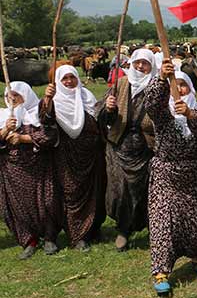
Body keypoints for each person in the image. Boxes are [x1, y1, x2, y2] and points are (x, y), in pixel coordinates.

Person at [146, 61, 197, 295]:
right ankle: (161, 271)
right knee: (163, 221)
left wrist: (189, 113)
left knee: (196, 219)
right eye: (176, 86)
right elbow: (152, 104)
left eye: (184, 86)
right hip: (167, 174)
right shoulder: (163, 114)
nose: (181, 90)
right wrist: (161, 79)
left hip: (196, 173)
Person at [96, 47, 155, 252]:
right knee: (120, 191)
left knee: (144, 191)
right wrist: (109, 108)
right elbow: (101, 117)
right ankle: (122, 230)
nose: (140, 66)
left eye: (145, 63)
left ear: (151, 66)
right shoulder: (120, 84)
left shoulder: (155, 88)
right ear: (131, 63)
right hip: (119, 147)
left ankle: (150, 229)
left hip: (146, 149)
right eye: (137, 62)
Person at [46, 65, 105, 251]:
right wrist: (47, 99)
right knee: (72, 193)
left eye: (72, 77)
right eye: (65, 78)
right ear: (58, 81)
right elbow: (45, 119)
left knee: (93, 193)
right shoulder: (54, 100)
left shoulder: (86, 96)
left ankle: (92, 229)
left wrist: (108, 109)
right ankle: (78, 235)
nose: (69, 81)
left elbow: (100, 119)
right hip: (66, 157)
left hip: (90, 155)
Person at [0, 82, 58, 259]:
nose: (13, 99)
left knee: (46, 202)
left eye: (16, 95)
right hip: (13, 170)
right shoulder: (3, 116)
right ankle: (29, 241)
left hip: (39, 168)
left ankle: (49, 238)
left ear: (26, 95)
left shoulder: (37, 113)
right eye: (9, 96)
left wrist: (23, 138)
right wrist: (5, 130)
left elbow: (50, 136)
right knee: (20, 206)